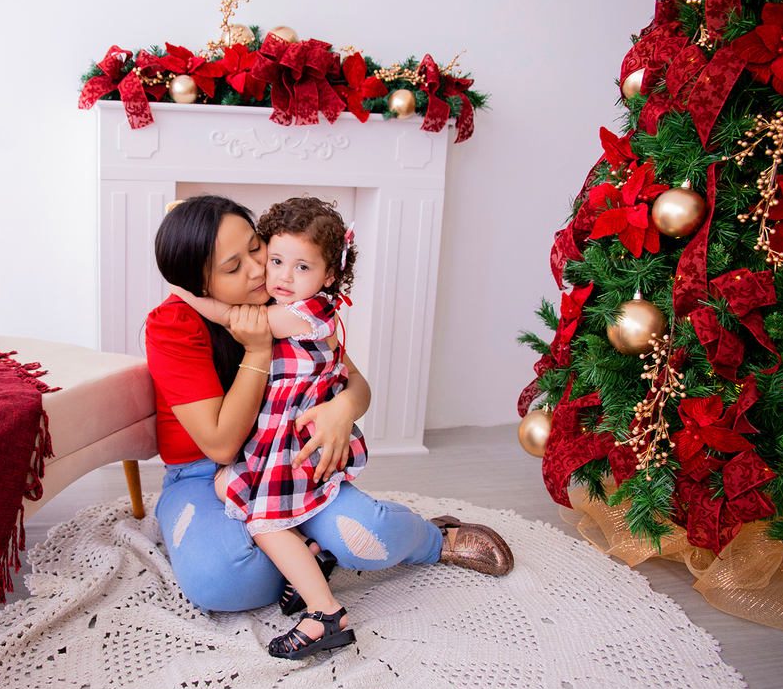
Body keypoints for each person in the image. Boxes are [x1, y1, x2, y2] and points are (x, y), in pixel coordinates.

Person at [146, 194, 514, 660]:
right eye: (234, 267)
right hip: (205, 472)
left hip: (287, 457)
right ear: (199, 283)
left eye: (257, 247)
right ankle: (308, 551)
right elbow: (220, 446)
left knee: (367, 537)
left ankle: (433, 538)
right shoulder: (174, 323)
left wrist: (343, 409)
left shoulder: (291, 298)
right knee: (225, 580)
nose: (260, 270)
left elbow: (355, 381)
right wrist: (257, 351)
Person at [171, 197, 367, 658]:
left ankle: (326, 614)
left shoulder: (308, 312)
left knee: (264, 523)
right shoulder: (294, 304)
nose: (281, 277)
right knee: (226, 486)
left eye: (302, 267)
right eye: (276, 260)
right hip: (273, 438)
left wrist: (186, 290)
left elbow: (232, 318)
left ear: (329, 276)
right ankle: (310, 550)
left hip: (295, 443)